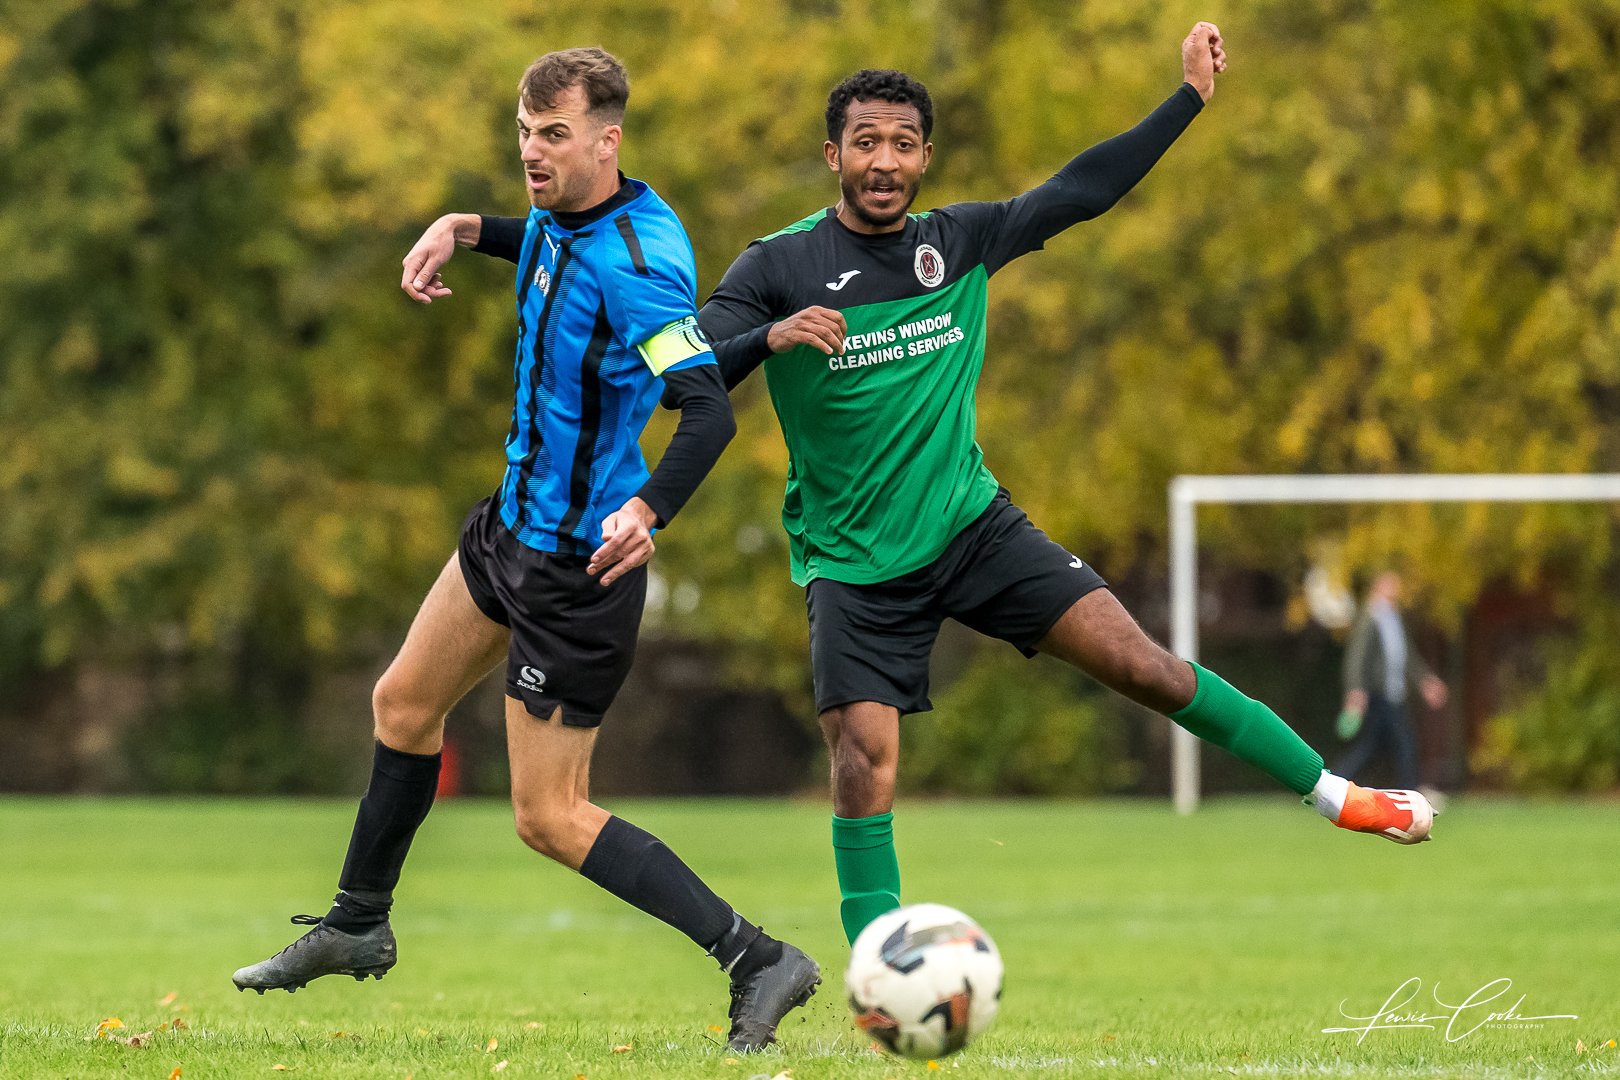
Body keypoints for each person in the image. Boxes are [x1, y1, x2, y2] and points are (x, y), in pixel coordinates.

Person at [693, 23, 1439, 945]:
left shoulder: (959, 241)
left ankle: (1339, 796)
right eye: (866, 142)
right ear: (832, 154)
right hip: (853, 559)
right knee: (861, 761)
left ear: (926, 156)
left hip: (971, 526)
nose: (884, 162)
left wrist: (1189, 99)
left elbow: (1082, 190)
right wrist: (765, 337)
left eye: (903, 143)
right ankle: (882, 975)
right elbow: (681, 364)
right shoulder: (777, 264)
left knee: (1145, 665)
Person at [230, 48, 819, 1052]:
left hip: (576, 574)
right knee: (402, 705)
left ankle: (756, 957)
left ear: (607, 139)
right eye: (523, 131)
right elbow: (538, 241)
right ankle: (358, 922)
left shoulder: (641, 262)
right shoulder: (559, 210)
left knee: (549, 816)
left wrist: (648, 511)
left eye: (552, 134)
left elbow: (703, 411)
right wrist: (461, 229)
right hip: (508, 529)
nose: (531, 153)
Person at [1335, 571, 1448, 793]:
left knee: (1371, 747)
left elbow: (1407, 656)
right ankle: (1411, 791)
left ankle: (1335, 783)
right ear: (1378, 586)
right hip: (1378, 694)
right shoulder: (1370, 618)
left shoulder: (1394, 618)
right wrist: (1355, 690)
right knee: (1404, 742)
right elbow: (1357, 657)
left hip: (1394, 693)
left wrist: (1425, 681)